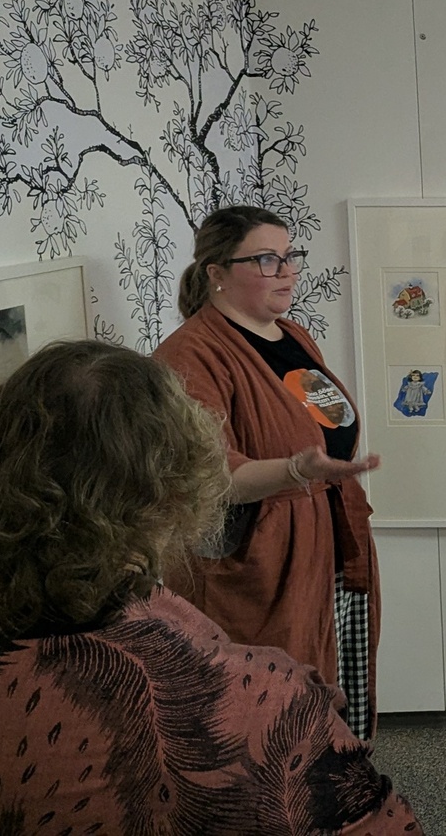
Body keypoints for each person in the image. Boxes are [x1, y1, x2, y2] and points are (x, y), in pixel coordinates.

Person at [0, 340, 422, 833]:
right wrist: (294, 470)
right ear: (176, 488)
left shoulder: (291, 337)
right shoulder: (268, 706)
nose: (286, 283)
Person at [153, 205, 383, 738]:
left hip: (326, 545)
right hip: (257, 564)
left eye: (289, 256)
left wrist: (316, 473)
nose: (287, 272)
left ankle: (335, 775)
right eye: (266, 260)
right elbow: (211, 476)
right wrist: (296, 470)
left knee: (330, 688)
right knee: (268, 710)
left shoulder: (293, 335)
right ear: (217, 273)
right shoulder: (189, 356)